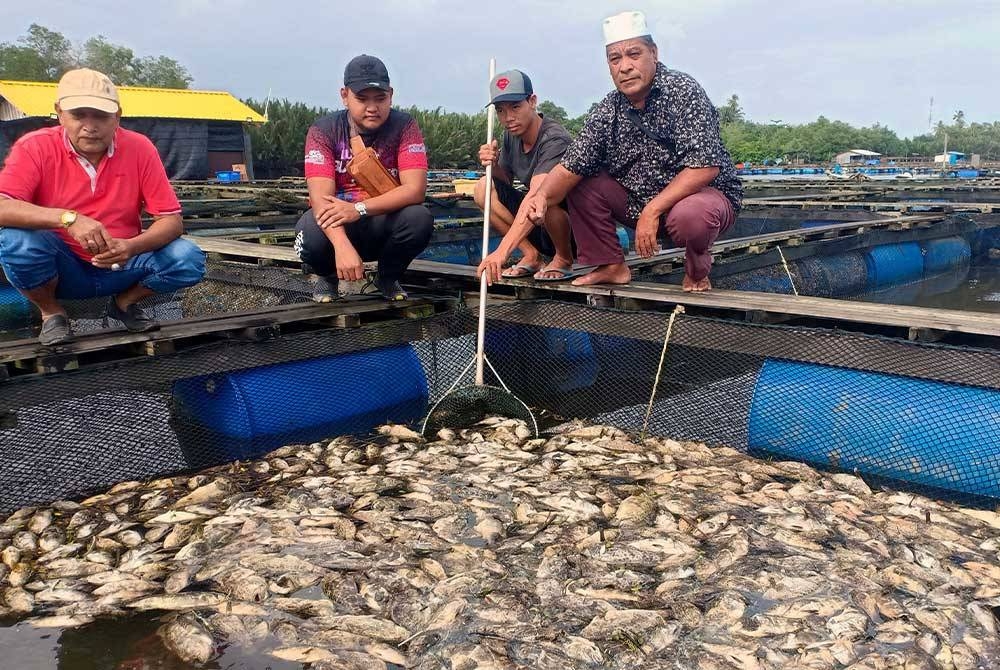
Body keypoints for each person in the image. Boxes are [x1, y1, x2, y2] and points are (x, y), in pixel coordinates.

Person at [519, 11, 743, 291]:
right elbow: (569, 167)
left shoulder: (683, 91)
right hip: (640, 205)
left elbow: (705, 166)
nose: (624, 66)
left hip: (696, 200)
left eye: (633, 55)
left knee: (691, 217)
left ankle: (697, 269)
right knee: (581, 180)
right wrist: (541, 197)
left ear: (654, 53)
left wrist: (652, 210)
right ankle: (611, 265)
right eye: (615, 59)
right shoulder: (608, 109)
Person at [0, 68, 205, 345]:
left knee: (187, 257)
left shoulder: (140, 148)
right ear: (59, 113)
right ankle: (51, 312)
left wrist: (131, 247)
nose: (90, 125)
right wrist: (68, 219)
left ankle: (123, 304)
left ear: (117, 116)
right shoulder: (34, 147)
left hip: (121, 266)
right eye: (78, 115)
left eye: (100, 116)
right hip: (63, 270)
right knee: (16, 241)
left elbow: (171, 219)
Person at [294, 54, 433, 302]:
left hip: (379, 218)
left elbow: (415, 190)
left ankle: (387, 278)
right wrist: (341, 245)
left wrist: (358, 209)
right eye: (361, 98)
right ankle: (328, 277)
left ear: (391, 94)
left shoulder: (405, 126)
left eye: (380, 99)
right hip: (338, 222)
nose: (372, 107)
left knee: (419, 218)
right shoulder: (322, 131)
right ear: (344, 96)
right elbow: (321, 199)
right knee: (308, 232)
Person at [474, 70, 574, 282]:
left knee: (546, 201)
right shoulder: (511, 135)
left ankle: (563, 259)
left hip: (569, 228)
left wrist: (502, 252)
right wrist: (493, 165)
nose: (508, 118)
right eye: (501, 111)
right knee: (483, 187)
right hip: (537, 223)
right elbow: (505, 185)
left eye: (516, 107)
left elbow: (538, 195)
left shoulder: (554, 139)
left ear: (533, 101)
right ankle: (531, 255)